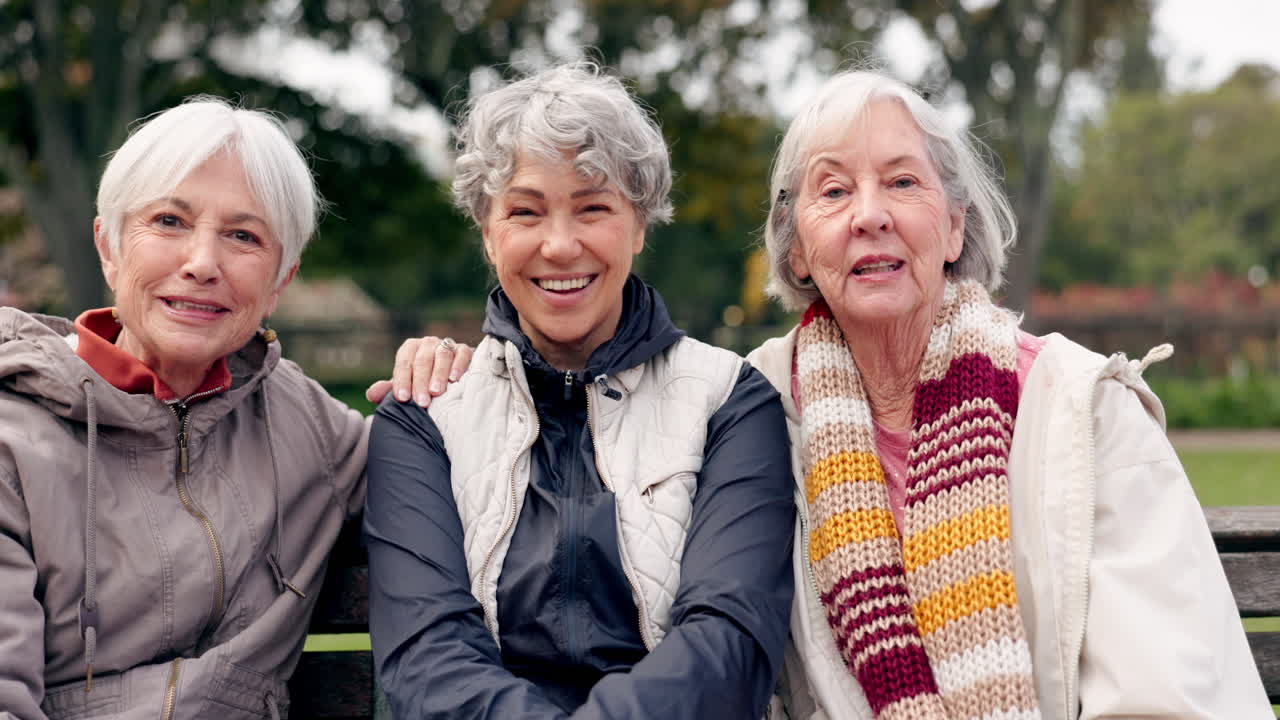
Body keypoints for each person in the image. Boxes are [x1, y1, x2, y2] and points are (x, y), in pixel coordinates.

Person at [742, 69, 1272, 719]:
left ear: (956, 228)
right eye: (834, 190)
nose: (871, 214)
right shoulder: (749, 412)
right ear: (797, 247)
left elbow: (1164, 693)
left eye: (903, 182)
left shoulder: (1086, 409)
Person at [0, 97, 464, 720]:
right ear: (108, 248)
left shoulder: (311, 430)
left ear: (280, 282)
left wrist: (458, 377)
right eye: (168, 222)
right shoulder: (12, 438)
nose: (201, 263)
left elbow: (455, 468)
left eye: (243, 236)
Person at [363, 62, 796, 719]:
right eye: (526, 212)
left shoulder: (731, 402)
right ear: (488, 233)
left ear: (640, 225)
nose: (560, 245)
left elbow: (726, 641)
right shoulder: (422, 418)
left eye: (593, 208)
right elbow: (428, 658)